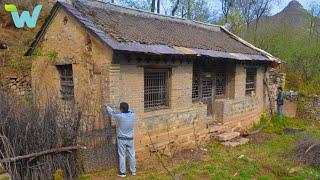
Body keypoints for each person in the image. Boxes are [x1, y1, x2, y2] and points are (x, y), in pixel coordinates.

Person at [105, 102, 136, 178]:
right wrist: (122, 108)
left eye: (120, 109)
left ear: (121, 109)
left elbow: (112, 112)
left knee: (122, 155)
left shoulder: (120, 116)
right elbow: (130, 110)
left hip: (122, 139)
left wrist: (107, 106)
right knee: (132, 154)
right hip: (130, 139)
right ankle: (133, 171)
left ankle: (122, 173)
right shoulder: (133, 115)